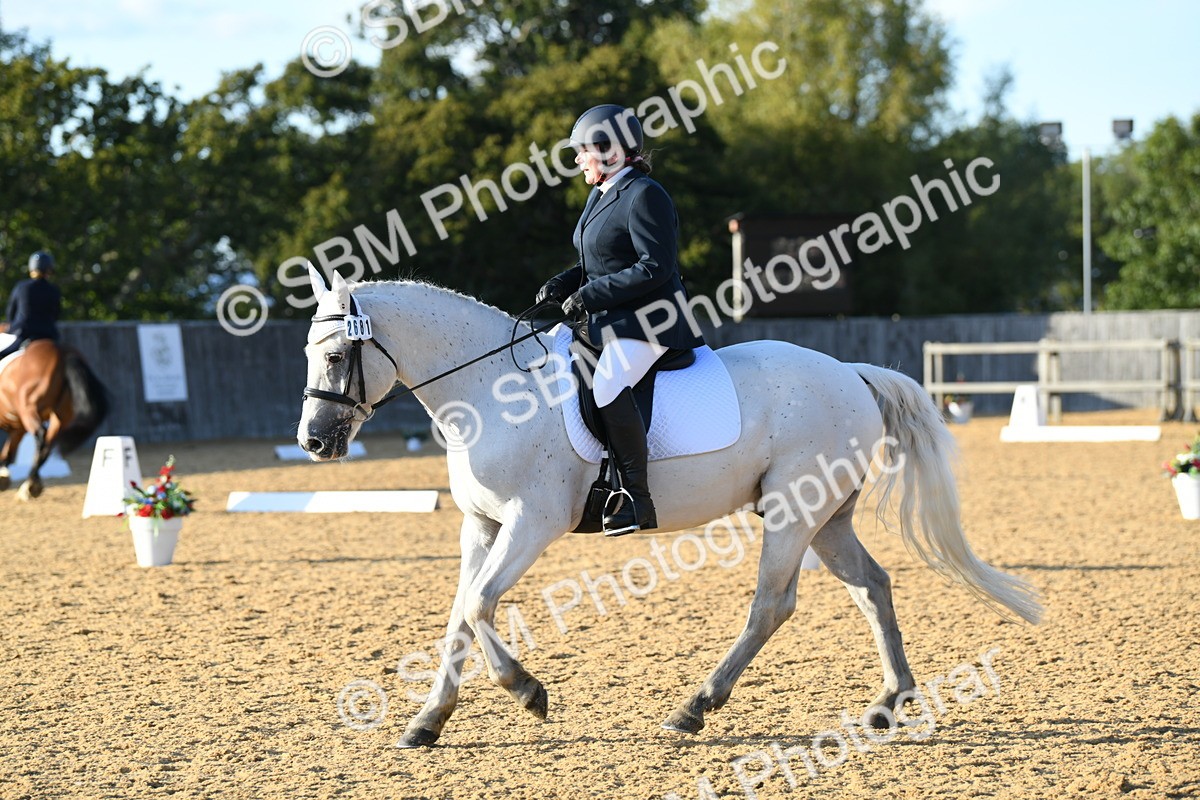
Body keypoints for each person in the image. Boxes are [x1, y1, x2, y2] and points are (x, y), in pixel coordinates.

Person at [536, 104, 705, 536]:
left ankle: (635, 498)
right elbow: (599, 261)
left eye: (582, 152)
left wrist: (589, 294)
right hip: (613, 319)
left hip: (654, 320)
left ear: (610, 151)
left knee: (609, 381)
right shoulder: (602, 193)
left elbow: (655, 266)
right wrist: (565, 281)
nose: (576, 161)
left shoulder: (646, 194)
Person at [0, 251, 62, 361]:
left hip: (24, 334)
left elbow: (10, 314)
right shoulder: (54, 290)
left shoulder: (21, 287)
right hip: (49, 335)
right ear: (49, 269)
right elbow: (56, 315)